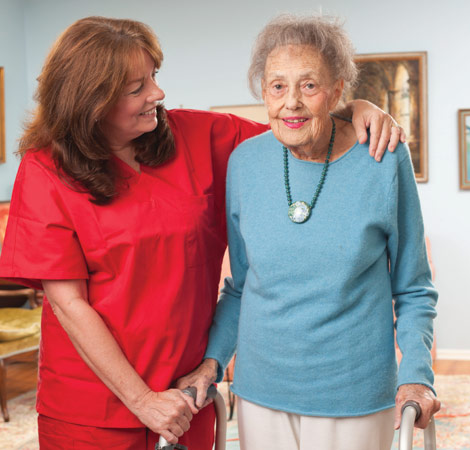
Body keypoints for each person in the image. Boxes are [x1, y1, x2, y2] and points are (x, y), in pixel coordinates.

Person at [0, 16, 404, 450]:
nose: (158, 93)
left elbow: (292, 122)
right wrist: (142, 401)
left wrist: (354, 106)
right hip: (92, 409)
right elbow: (68, 303)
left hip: (186, 395)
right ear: (90, 101)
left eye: (153, 76)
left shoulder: (198, 135)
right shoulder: (45, 171)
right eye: (137, 88)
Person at [178, 13, 440, 450]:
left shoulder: (383, 158)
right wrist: (212, 362)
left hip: (355, 394)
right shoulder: (245, 163)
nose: (291, 102)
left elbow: (413, 288)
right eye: (277, 86)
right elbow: (241, 287)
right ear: (263, 91)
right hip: (260, 393)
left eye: (310, 85)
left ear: (338, 90)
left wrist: (416, 375)